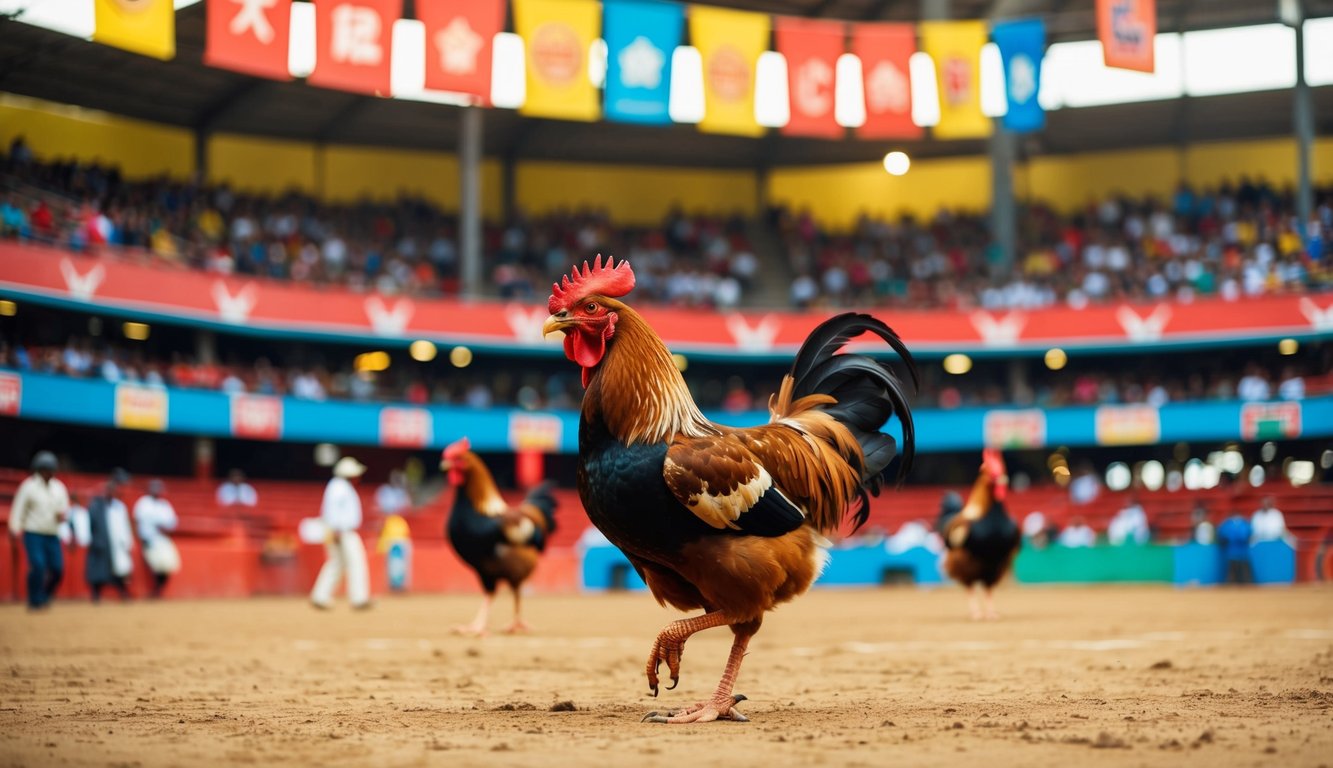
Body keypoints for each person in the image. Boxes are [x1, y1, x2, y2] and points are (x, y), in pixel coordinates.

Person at [8, 451, 70, 610]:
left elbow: (64, 510)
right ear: (39, 470)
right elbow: (18, 509)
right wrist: (15, 528)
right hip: (33, 533)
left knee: (57, 568)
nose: (49, 473)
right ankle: (34, 599)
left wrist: (63, 516)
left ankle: (45, 596)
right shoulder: (28, 486)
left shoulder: (59, 488)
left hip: (52, 534)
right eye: (46, 469)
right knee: (38, 565)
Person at [310, 457, 371, 610]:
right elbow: (332, 510)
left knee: (336, 563)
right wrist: (335, 530)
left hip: (339, 530)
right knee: (356, 562)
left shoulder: (340, 486)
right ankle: (359, 598)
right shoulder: (339, 487)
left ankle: (320, 596)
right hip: (342, 531)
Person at [86, 470, 135, 602]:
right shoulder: (96, 505)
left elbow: (124, 526)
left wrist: (127, 542)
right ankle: (96, 594)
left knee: (119, 569)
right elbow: (91, 524)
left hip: (116, 543)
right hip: (100, 542)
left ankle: (122, 592)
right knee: (99, 569)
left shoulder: (119, 507)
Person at [134, 479, 180, 598]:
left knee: (167, 565)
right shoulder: (143, 503)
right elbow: (136, 521)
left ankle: (158, 590)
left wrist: (165, 529)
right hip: (149, 539)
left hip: (163, 539)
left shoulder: (164, 505)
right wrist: (138, 537)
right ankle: (156, 589)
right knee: (155, 565)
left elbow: (173, 523)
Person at [1216, 511, 1254, 584]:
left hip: (1241, 554)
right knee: (1234, 577)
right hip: (1233, 554)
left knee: (1243, 577)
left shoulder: (1242, 523)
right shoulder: (1231, 524)